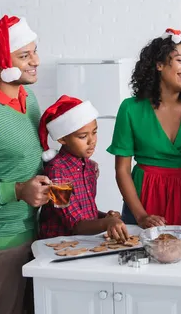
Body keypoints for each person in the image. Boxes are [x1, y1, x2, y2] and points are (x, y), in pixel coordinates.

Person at [0, 15, 51, 314]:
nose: (36, 61)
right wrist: (17, 190)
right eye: (24, 55)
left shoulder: (28, 99)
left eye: (34, 51)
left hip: (31, 234)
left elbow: (27, 162)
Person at [107, 28, 181, 228]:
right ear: (159, 64)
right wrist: (140, 216)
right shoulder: (131, 108)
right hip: (143, 196)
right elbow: (122, 169)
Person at [38, 95, 129, 241]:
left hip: (82, 243)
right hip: (58, 245)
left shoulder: (89, 167)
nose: (91, 141)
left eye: (94, 132)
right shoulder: (56, 172)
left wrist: (106, 217)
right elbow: (75, 225)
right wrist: (105, 223)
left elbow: (87, 214)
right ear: (62, 139)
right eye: (82, 136)